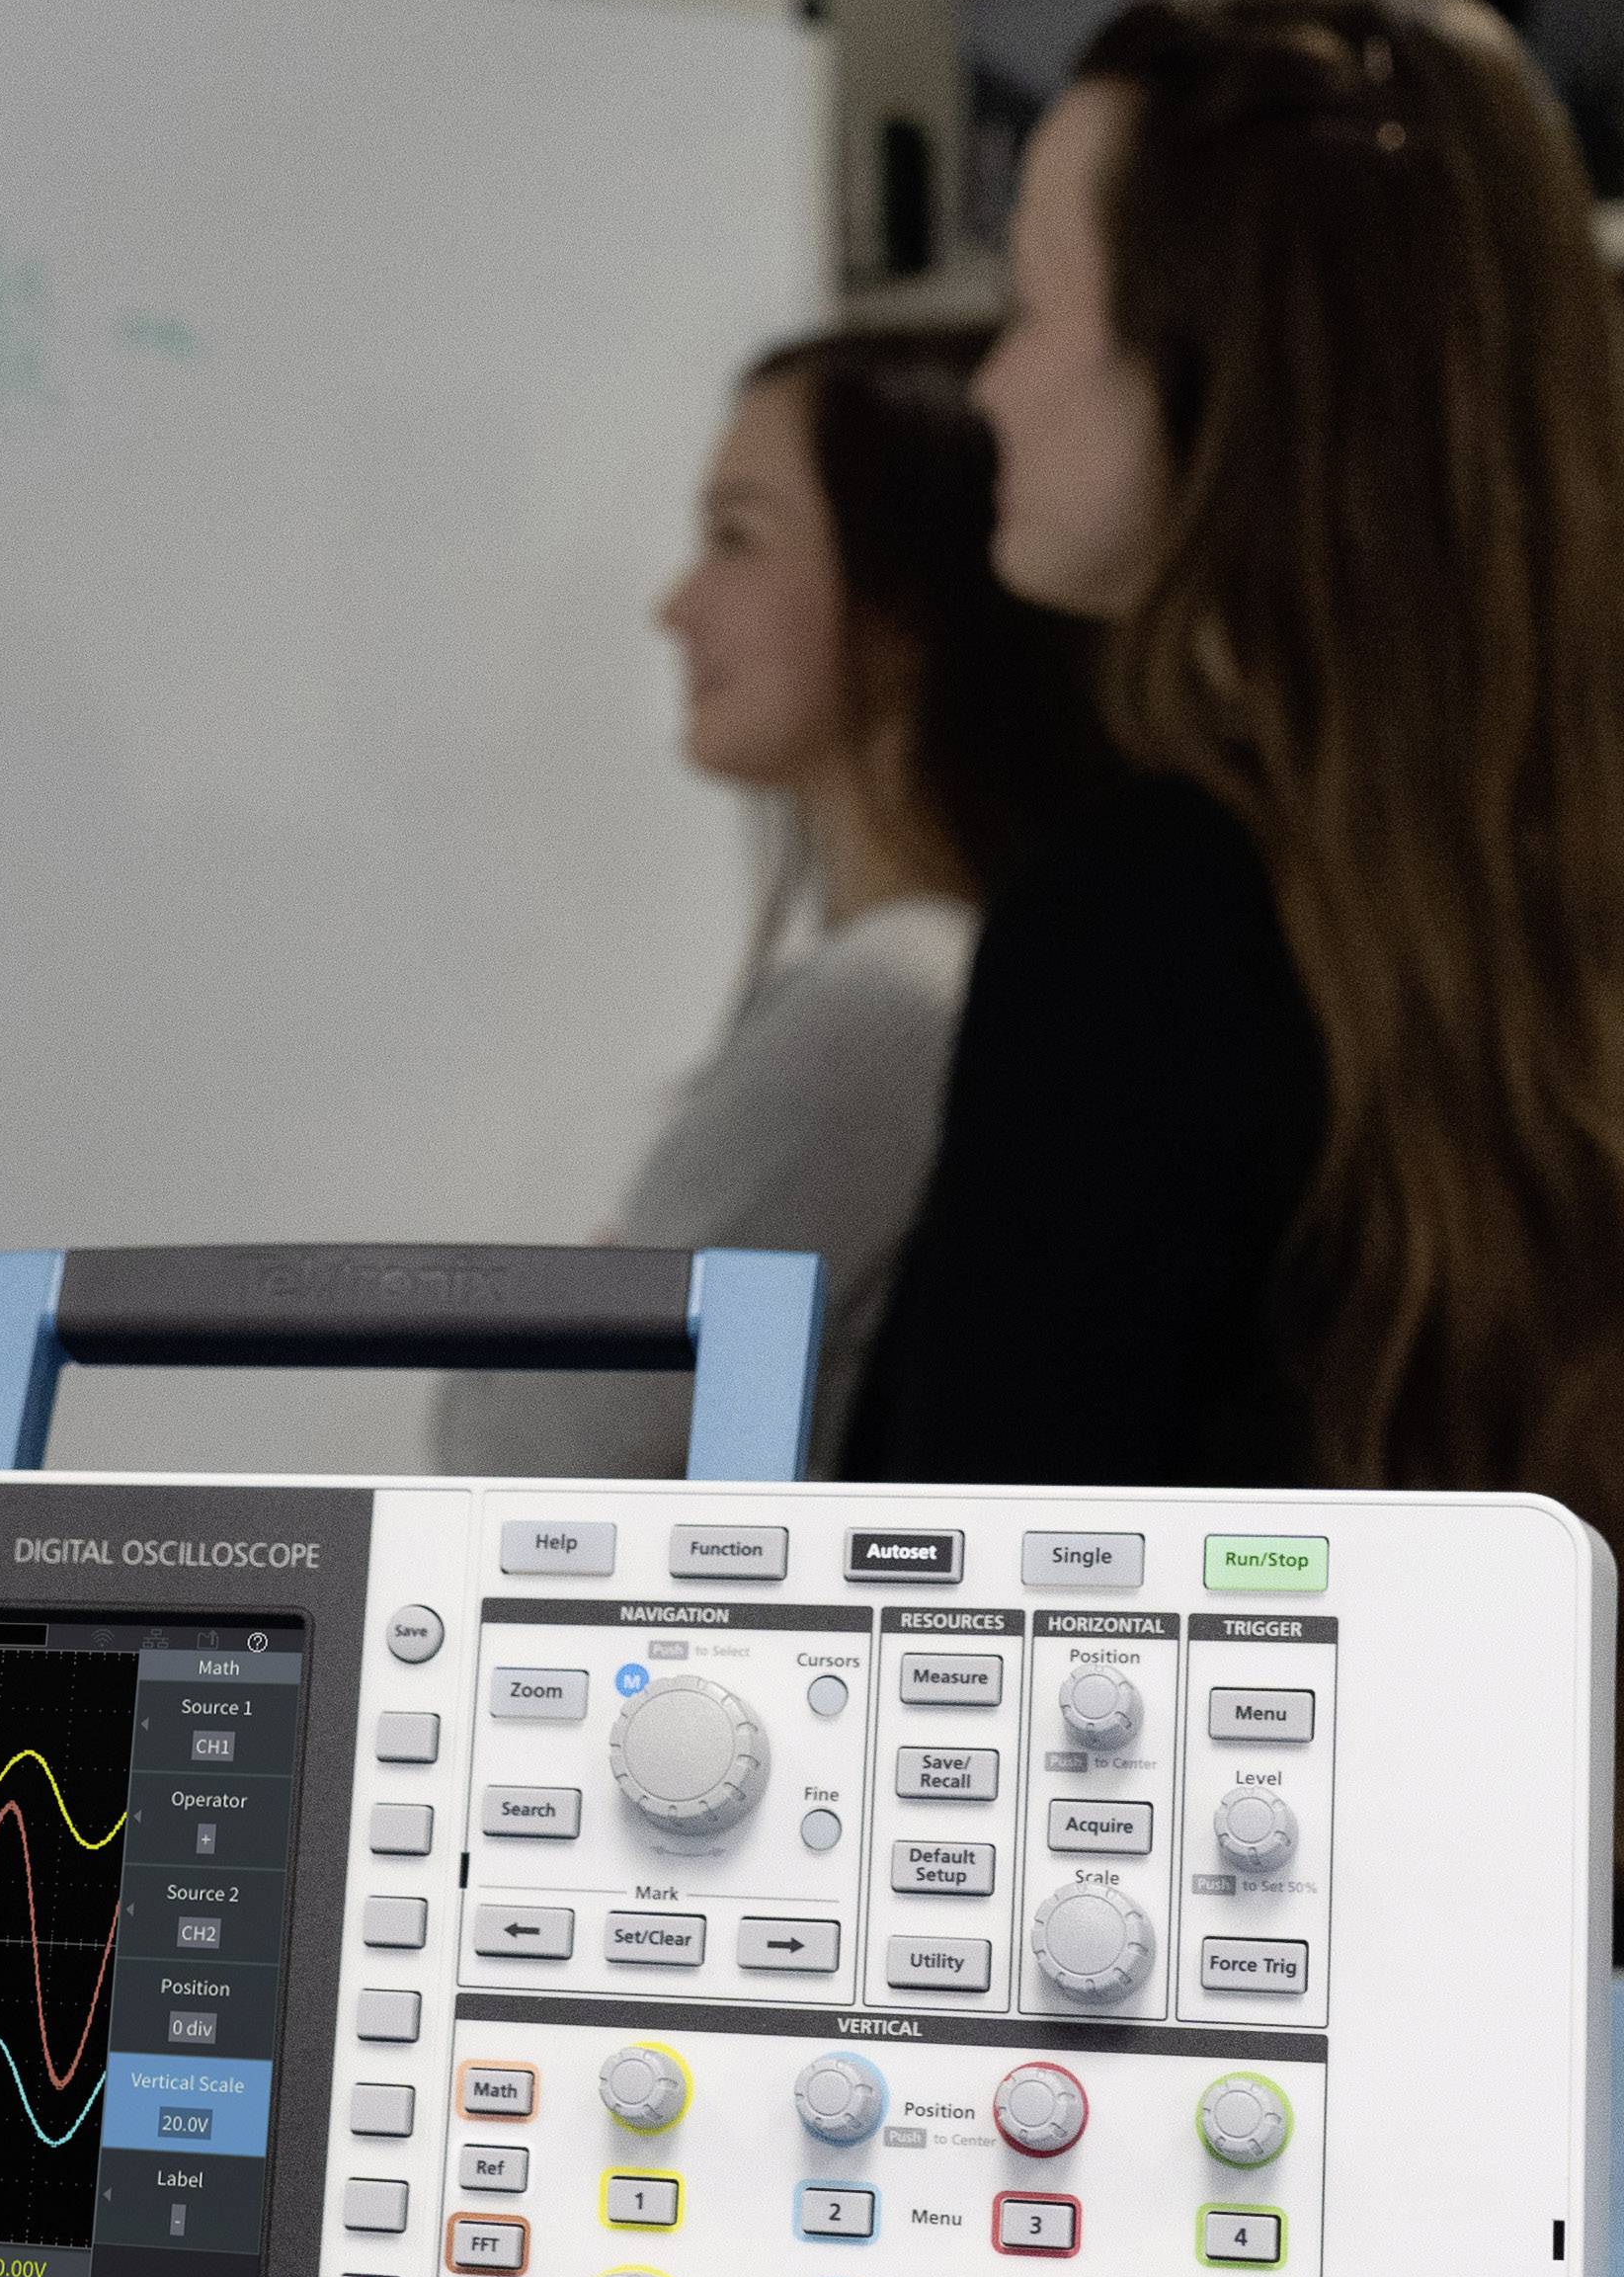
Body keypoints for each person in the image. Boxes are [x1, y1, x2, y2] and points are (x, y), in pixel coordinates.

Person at [849, 0, 1624, 1947]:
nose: (988, 385)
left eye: (1039, 306)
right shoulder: (1597, 926)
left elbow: (949, 1644)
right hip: (1496, 2066)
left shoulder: (1148, 918)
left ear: (1232, 376)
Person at [436, 326, 1122, 1476]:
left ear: (905, 601)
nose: (676, 604)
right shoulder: (953, 981)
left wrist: (560, 1315)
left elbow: (529, 1452)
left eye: (735, 538)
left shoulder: (891, 1000)